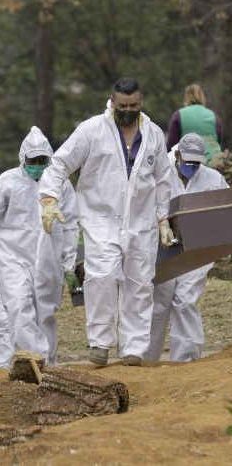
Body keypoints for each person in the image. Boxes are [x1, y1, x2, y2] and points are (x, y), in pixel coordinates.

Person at [39, 77, 173, 367]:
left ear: (141, 103)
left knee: (140, 283)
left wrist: (164, 218)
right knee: (102, 278)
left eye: (133, 105)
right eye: (122, 105)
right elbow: (60, 163)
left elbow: (163, 179)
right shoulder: (91, 131)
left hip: (141, 221)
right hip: (100, 218)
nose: (127, 110)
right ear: (112, 101)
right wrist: (49, 198)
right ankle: (100, 342)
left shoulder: (154, 135)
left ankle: (133, 348)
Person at [146, 133, 229, 362]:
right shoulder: (161, 175)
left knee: (185, 300)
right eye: (187, 161)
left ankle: (186, 359)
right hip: (163, 247)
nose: (190, 166)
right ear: (178, 155)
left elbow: (227, 211)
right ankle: (145, 358)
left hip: (197, 249)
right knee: (159, 303)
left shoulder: (213, 179)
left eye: (196, 163)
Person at [0, 126, 78, 366]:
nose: (37, 165)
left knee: (45, 314)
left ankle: (47, 361)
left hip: (48, 259)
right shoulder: (7, 182)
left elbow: (71, 224)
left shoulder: (60, 185)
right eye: (32, 160)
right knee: (19, 306)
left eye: (42, 160)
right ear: (23, 158)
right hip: (12, 256)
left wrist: (69, 264)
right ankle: (36, 362)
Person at [166, 84, 223, 164]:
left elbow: (171, 145)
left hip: (189, 165)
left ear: (186, 98)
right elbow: (219, 142)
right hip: (213, 163)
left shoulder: (179, 115)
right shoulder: (214, 116)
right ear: (203, 97)